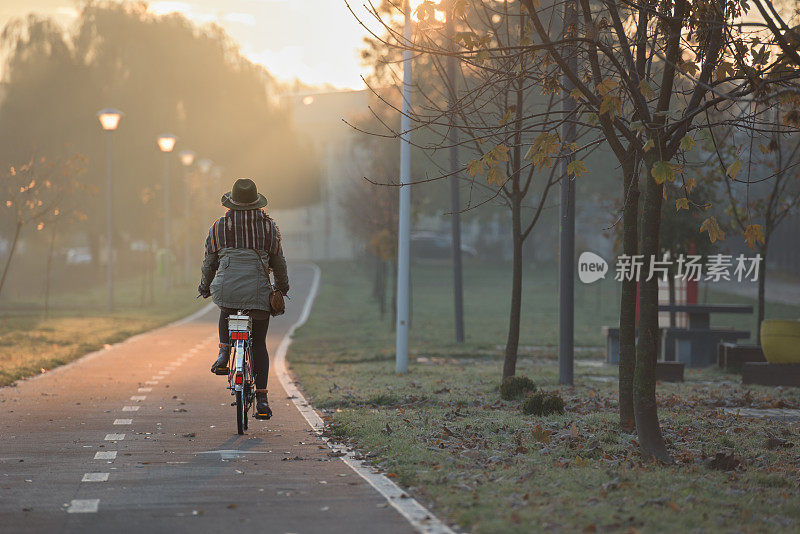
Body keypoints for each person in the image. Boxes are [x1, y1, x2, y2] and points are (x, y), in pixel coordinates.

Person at [197, 178, 289, 420]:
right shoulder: (269, 228)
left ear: (232, 203)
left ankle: (224, 354)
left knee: (226, 311)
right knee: (258, 344)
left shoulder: (219, 226)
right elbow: (279, 263)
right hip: (258, 294)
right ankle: (262, 399)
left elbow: (209, 263)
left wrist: (204, 286)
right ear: (256, 203)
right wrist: (282, 287)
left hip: (226, 291)